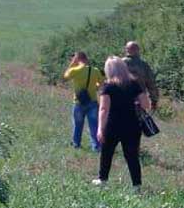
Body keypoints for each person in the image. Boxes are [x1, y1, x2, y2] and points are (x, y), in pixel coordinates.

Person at [95, 56, 151, 190]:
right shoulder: (134, 84)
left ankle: (103, 180)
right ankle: (136, 185)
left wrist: (100, 128)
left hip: (112, 124)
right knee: (132, 156)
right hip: (132, 125)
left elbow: (104, 109)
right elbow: (146, 104)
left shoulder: (108, 86)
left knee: (107, 153)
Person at [62, 51, 103, 152]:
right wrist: (93, 87)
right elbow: (101, 84)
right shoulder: (95, 70)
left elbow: (65, 77)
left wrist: (72, 64)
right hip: (92, 101)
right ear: (86, 59)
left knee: (77, 124)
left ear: (77, 59)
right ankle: (96, 147)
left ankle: (76, 144)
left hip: (79, 102)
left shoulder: (75, 70)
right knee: (94, 126)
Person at [123, 41, 158, 108]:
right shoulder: (143, 65)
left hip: (121, 98)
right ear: (138, 50)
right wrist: (154, 100)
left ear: (126, 50)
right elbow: (151, 83)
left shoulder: (119, 64)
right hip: (140, 99)